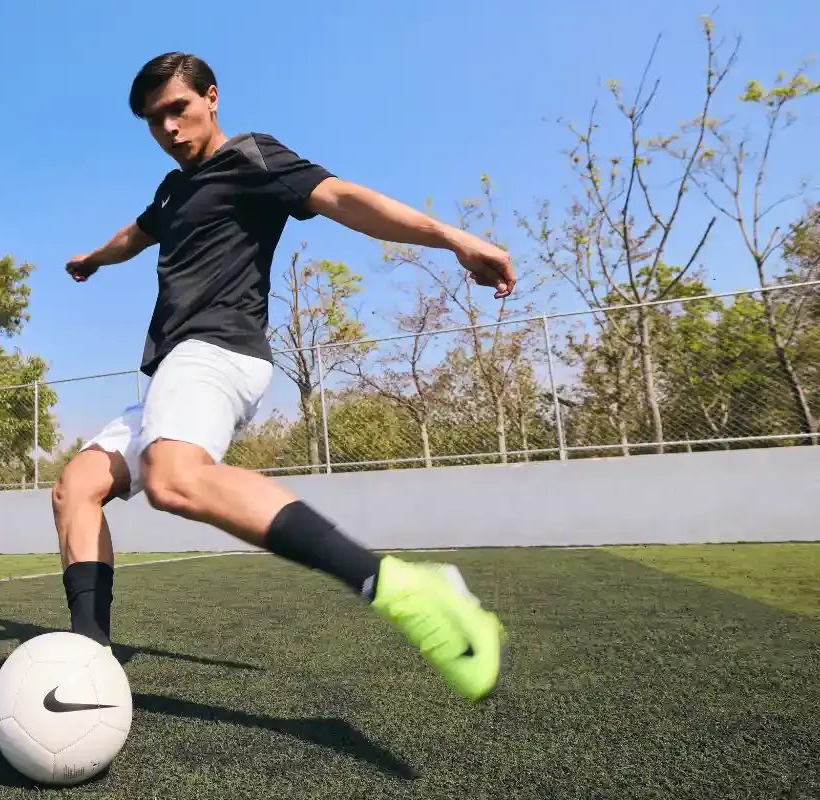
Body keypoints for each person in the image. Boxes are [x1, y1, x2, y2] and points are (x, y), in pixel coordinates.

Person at [55, 52, 514, 702]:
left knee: (174, 479)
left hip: (217, 350)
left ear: (211, 98)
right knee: (77, 488)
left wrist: (451, 237)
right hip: (168, 375)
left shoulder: (254, 159)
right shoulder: (172, 188)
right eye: (154, 121)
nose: (169, 129)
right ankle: (90, 657)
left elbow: (345, 199)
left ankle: (400, 586)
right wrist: (94, 260)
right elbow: (140, 232)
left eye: (178, 110)